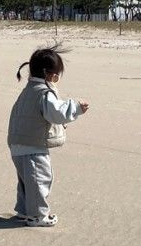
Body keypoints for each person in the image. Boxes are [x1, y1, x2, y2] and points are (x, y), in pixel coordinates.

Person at [7, 46, 89, 227]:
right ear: (52, 76)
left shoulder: (29, 89)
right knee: (39, 179)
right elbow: (56, 113)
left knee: (26, 181)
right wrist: (76, 107)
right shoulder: (44, 93)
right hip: (32, 146)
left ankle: (24, 211)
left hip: (17, 144)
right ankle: (38, 215)